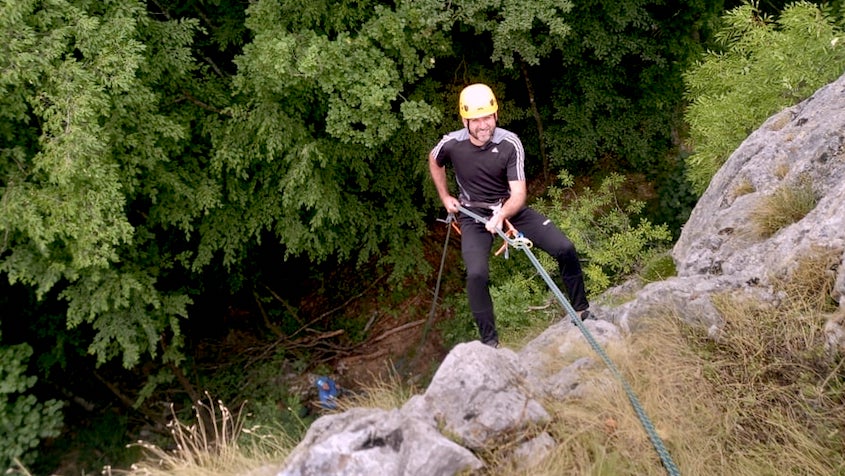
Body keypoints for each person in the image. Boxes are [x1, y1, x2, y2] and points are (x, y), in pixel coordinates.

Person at [428, 83, 593, 348]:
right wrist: (445, 197)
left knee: (564, 248)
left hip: (508, 208)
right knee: (476, 275)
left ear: (496, 115)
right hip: (472, 214)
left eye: (488, 117)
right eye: (477, 119)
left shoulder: (509, 143)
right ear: (465, 121)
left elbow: (518, 194)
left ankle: (582, 309)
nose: (484, 125)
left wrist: (501, 214)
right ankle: (490, 343)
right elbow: (434, 160)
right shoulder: (452, 144)